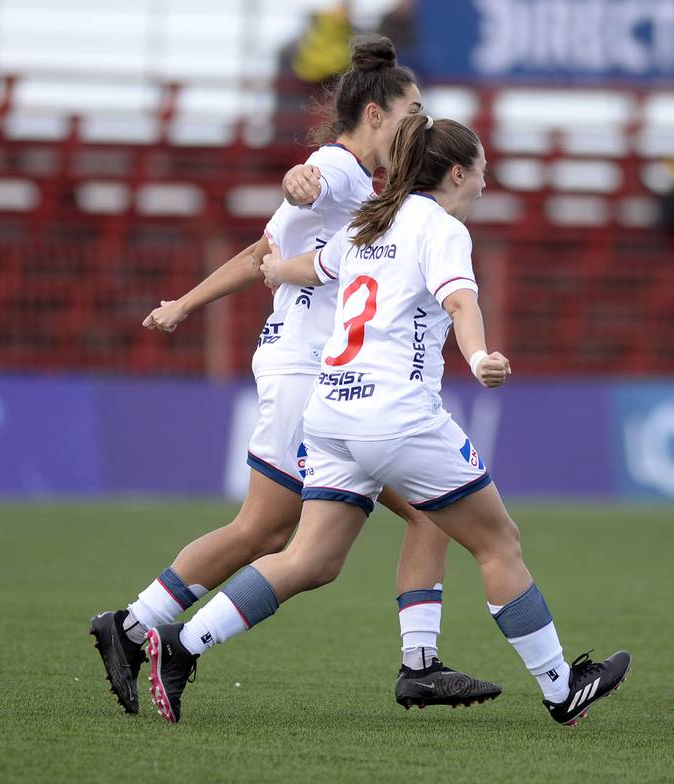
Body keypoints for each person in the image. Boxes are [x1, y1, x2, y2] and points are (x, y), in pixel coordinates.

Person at [142, 113, 632, 726]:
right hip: (395, 415)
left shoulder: (372, 220)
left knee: (309, 560)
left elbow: (311, 267)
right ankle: (562, 689)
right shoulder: (441, 228)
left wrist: (271, 270)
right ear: (457, 171)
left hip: (331, 412)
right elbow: (460, 300)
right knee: (497, 541)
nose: (486, 179)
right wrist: (479, 355)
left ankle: (182, 647)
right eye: (482, 166)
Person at [89, 36, 500, 717]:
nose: (421, 124)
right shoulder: (340, 170)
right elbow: (306, 182)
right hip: (313, 372)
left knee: (280, 533)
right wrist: (296, 179)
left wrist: (186, 303)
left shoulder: (364, 184)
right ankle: (415, 663)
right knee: (372, 520)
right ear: (375, 114)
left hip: (306, 368)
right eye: (413, 110)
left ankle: (136, 627)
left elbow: (264, 251)